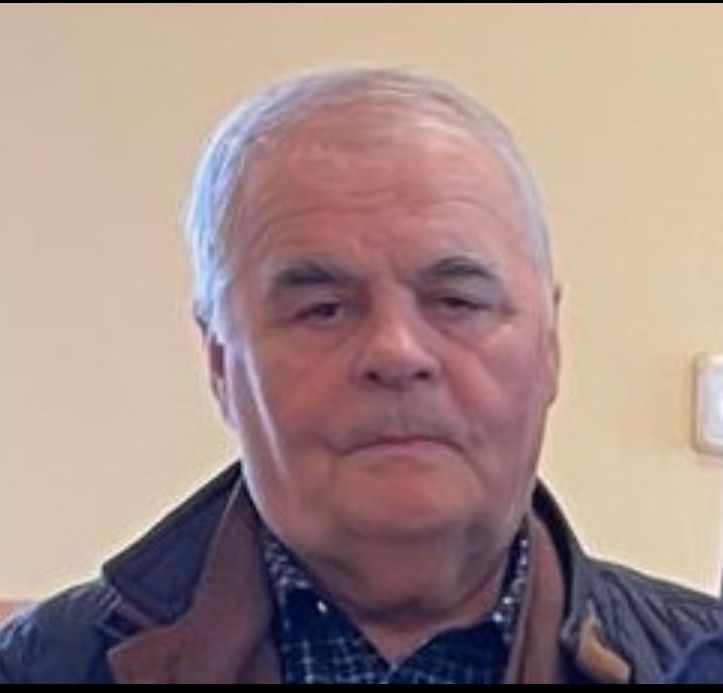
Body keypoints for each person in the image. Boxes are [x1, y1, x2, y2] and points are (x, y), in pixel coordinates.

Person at [0, 67, 720, 684]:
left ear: (550, 344)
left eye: (457, 301)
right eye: (323, 309)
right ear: (220, 363)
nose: (397, 352)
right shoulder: (37, 666)